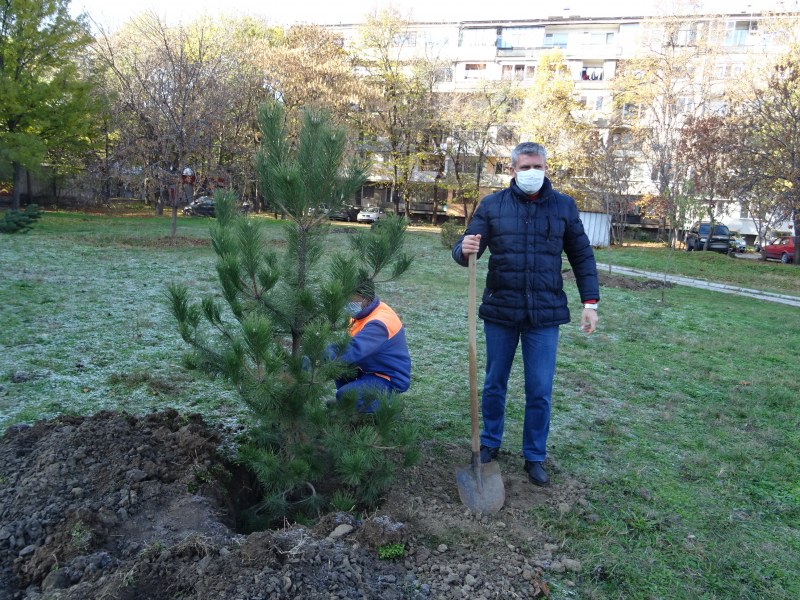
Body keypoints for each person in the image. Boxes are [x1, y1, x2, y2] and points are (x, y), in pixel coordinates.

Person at [451, 141, 599, 486]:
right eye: (525, 167)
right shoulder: (492, 206)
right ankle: (489, 444)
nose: (532, 172)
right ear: (512, 170)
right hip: (501, 310)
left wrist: (589, 303)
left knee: (539, 388)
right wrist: (463, 250)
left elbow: (582, 255)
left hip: (544, 317)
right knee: (494, 383)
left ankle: (534, 455)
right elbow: (466, 248)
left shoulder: (563, 206)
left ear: (546, 168)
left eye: (538, 166)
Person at [327, 279, 411, 413]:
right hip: (367, 368)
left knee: (346, 396)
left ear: (365, 297)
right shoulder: (362, 313)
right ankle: (350, 403)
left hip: (387, 378)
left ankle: (387, 404)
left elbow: (354, 349)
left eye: (350, 297)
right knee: (339, 368)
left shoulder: (379, 323)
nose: (346, 301)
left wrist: (321, 355)